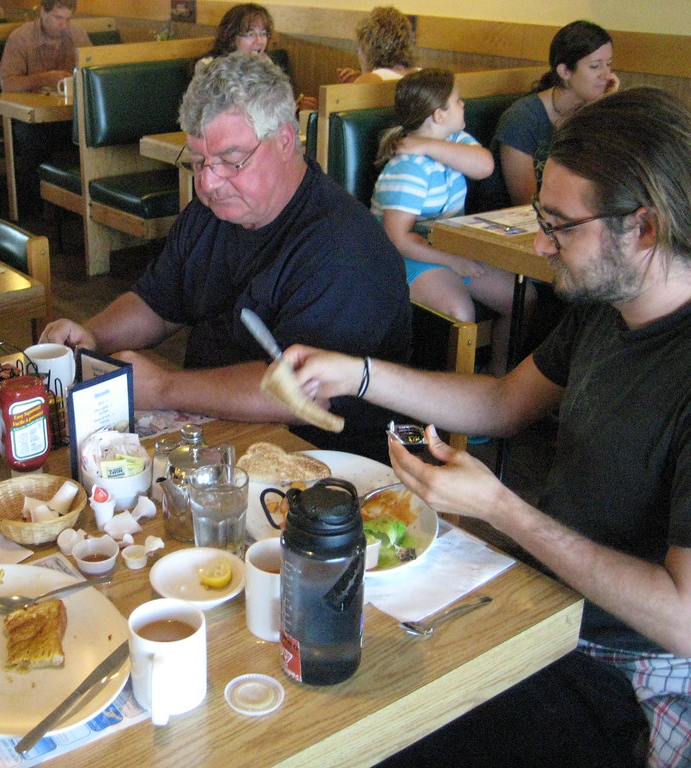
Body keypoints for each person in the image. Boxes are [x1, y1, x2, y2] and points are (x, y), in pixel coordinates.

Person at [286, 87, 691, 767]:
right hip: (548, 603)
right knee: (326, 658)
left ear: (644, 228)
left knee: (386, 738)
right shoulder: (609, 303)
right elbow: (504, 401)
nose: (540, 243)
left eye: (559, 225)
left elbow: (683, 620)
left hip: (627, 669)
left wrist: (501, 509)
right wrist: (358, 373)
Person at [41, 53, 412, 463]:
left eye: (231, 161)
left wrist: (164, 387)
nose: (209, 182)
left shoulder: (343, 247)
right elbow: (158, 303)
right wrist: (92, 337)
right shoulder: (213, 211)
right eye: (198, 161)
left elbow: (297, 396)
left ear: (285, 140)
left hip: (320, 462)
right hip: (218, 434)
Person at [371, 68, 520, 375]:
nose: (464, 104)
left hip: (446, 247)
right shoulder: (408, 168)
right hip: (404, 256)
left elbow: (485, 166)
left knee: (520, 298)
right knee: (460, 312)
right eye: (458, 101)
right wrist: (453, 262)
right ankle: (456, 396)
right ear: (438, 115)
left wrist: (426, 145)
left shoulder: (453, 140)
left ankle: (498, 377)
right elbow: (397, 238)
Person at [476, 20, 618, 211]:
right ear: (564, 71)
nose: (606, 75)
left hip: (568, 220)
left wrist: (603, 112)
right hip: (520, 224)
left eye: (608, 65)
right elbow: (526, 202)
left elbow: (607, 184)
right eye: (595, 66)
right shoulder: (521, 119)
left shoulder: (592, 112)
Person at [0, 0, 91, 221]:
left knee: (87, 131)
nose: (64, 25)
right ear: (42, 12)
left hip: (67, 116)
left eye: (68, 19)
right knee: (30, 136)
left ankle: (73, 208)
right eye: (58, 18)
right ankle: (34, 212)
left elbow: (92, 70)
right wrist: (44, 78)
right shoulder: (21, 37)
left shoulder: (76, 34)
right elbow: (7, 84)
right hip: (30, 120)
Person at [337, 6, 419, 85]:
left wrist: (362, 79)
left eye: (359, 47)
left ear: (368, 48)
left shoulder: (371, 80)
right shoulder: (420, 74)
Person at [205, 3, 275, 58]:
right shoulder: (210, 68)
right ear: (232, 37)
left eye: (263, 34)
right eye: (251, 34)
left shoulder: (265, 61)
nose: (259, 41)